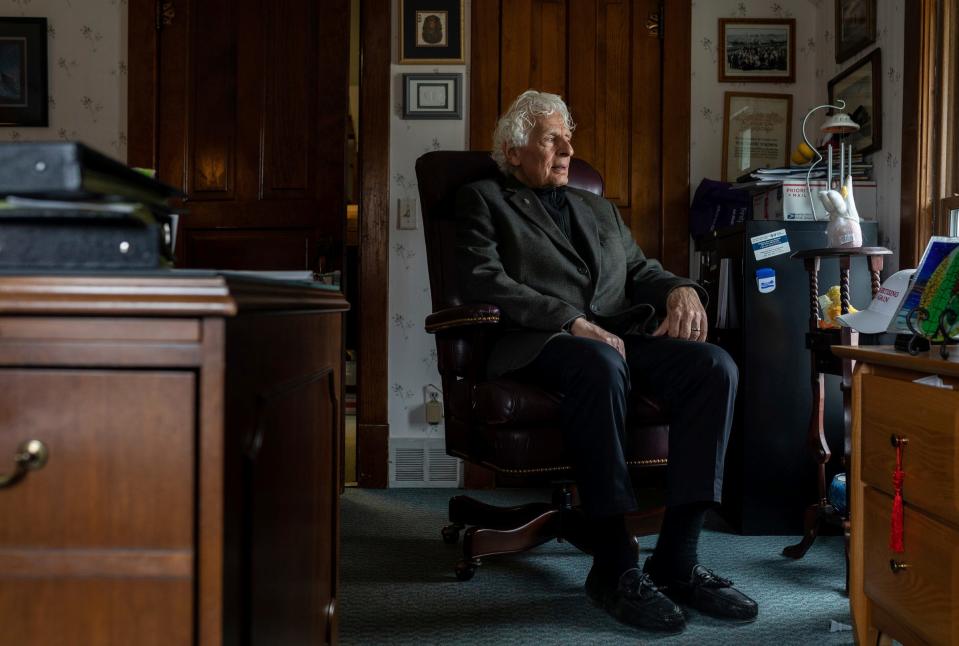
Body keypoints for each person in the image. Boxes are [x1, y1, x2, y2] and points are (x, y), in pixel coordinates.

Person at [454, 90, 758, 633]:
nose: (569, 148)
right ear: (514, 148)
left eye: (569, 137)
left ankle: (677, 560)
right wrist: (570, 320)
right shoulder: (483, 200)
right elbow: (484, 280)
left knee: (715, 367)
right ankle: (615, 564)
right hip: (542, 342)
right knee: (599, 361)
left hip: (619, 337)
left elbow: (642, 270)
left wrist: (681, 290)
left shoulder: (597, 207)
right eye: (552, 138)